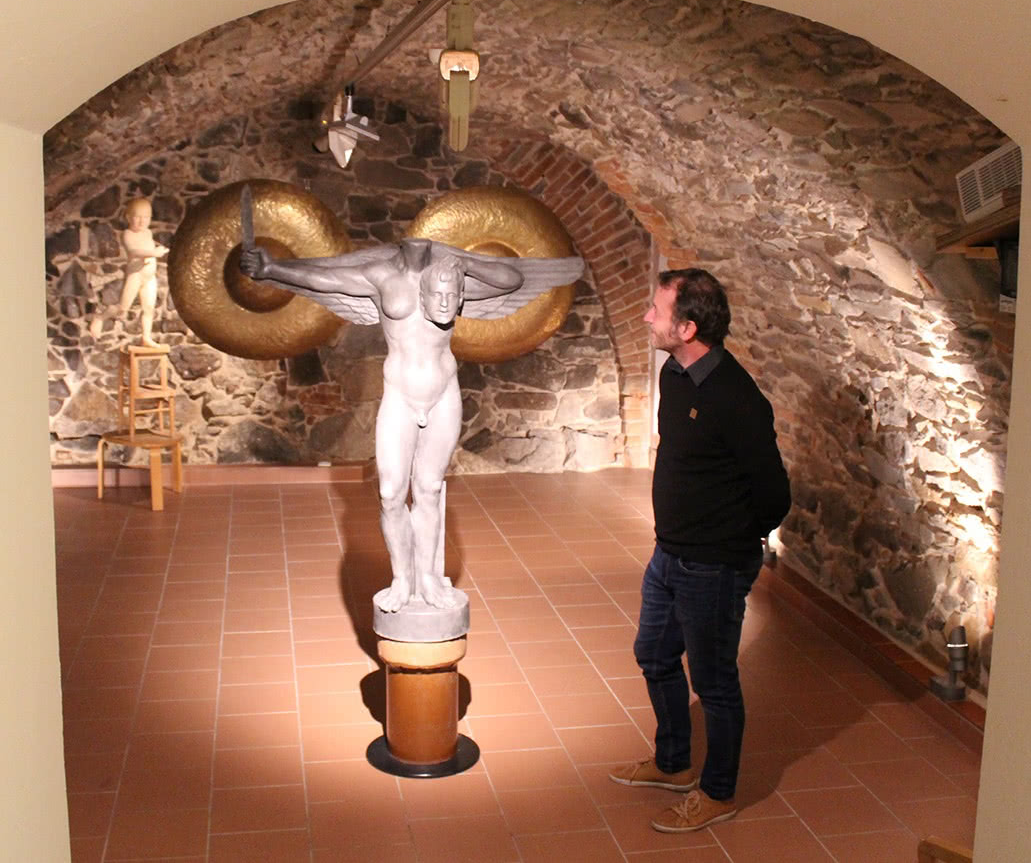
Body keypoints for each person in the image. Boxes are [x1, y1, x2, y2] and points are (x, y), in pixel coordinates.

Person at [240, 234, 583, 612]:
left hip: (442, 396)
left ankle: (429, 579)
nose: (445, 304)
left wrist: (466, 263)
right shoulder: (381, 276)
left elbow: (512, 279)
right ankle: (402, 579)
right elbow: (328, 279)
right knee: (390, 494)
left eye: (452, 298)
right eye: (439, 297)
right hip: (400, 397)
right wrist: (273, 269)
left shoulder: (451, 278)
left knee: (429, 489)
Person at [610, 268, 790, 833]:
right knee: (654, 655)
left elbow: (774, 496)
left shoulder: (737, 399)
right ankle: (672, 763)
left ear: (687, 328)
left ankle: (717, 792)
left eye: (656, 311)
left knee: (713, 683)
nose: (647, 317)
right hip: (669, 553)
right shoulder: (675, 374)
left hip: (712, 564)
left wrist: (730, 543)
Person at [90, 197, 169, 345]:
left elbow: (148, 246)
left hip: (149, 277)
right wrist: (153, 253)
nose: (142, 221)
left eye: (146, 217)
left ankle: (146, 337)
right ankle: (100, 317)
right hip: (136, 275)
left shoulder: (147, 233)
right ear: (128, 217)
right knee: (122, 309)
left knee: (149, 308)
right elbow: (134, 251)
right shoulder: (127, 234)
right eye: (137, 217)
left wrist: (159, 250)